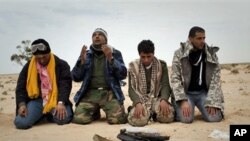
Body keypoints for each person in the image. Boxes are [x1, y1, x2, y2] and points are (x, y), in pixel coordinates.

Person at [71, 28, 127, 124]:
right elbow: (76, 77)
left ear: (106, 39)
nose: (97, 36)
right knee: (79, 120)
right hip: (90, 93)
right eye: (94, 35)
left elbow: (122, 74)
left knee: (118, 120)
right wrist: (81, 63)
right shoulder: (86, 54)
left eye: (100, 34)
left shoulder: (115, 53)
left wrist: (111, 59)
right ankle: (94, 112)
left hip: (109, 93)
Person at [14, 39, 73, 129]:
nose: (41, 60)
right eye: (38, 58)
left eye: (44, 57)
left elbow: (65, 85)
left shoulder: (62, 64)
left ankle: (46, 115)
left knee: (64, 119)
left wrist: (61, 102)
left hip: (55, 100)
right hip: (36, 101)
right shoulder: (28, 66)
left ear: (49, 52)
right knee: (21, 123)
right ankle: (41, 114)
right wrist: (22, 105)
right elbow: (20, 87)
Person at [171, 26, 224, 123]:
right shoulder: (179, 53)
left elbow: (215, 79)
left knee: (214, 118)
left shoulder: (211, 54)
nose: (202, 41)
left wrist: (212, 101)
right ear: (190, 39)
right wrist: (182, 100)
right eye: (199, 38)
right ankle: (179, 109)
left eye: (204, 38)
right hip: (186, 94)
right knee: (187, 119)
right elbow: (175, 78)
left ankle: (203, 109)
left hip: (203, 93)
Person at [127, 40, 175, 126]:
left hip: (157, 98)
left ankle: (153, 114)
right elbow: (131, 89)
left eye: (149, 56)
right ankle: (139, 111)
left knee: (167, 117)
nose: (146, 60)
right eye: (143, 57)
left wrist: (164, 100)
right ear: (139, 55)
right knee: (138, 121)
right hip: (140, 100)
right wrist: (137, 103)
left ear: (154, 53)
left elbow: (165, 85)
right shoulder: (133, 67)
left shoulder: (161, 65)